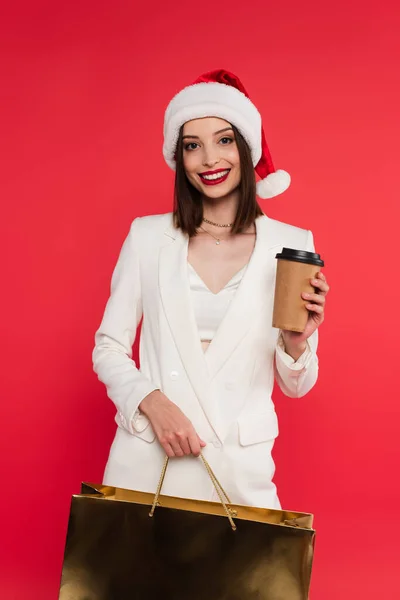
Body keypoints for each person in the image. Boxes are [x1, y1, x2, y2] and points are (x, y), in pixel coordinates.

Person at [92, 69, 330, 509]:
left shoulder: (293, 243)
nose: (209, 160)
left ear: (246, 147)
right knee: (136, 578)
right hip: (147, 457)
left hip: (238, 464)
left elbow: (296, 388)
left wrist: (296, 344)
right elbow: (108, 346)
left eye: (223, 140)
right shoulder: (148, 237)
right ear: (178, 158)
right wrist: (151, 402)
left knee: (249, 579)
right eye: (192, 146)